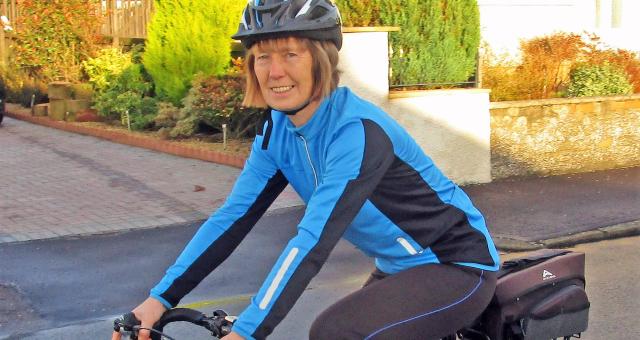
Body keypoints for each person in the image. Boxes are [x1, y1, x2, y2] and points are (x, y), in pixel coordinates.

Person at [113, 1, 500, 339]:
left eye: (291, 54)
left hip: (456, 264)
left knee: (335, 332)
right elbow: (231, 218)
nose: (274, 71)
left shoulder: (357, 132)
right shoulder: (277, 131)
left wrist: (248, 330)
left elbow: (313, 240)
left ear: (322, 59)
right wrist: (160, 298)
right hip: (398, 268)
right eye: (263, 56)